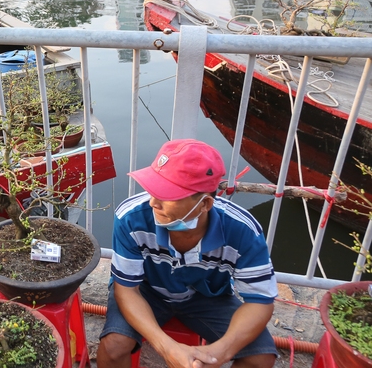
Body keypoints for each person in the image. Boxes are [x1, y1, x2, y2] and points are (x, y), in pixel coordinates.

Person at [97, 139, 278, 368]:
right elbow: (127, 290)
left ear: (205, 204)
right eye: (153, 189)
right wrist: (167, 347)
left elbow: (260, 301)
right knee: (114, 346)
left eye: (167, 195)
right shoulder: (131, 218)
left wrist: (218, 353)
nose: (153, 202)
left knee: (260, 359)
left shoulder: (243, 231)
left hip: (206, 298)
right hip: (146, 291)